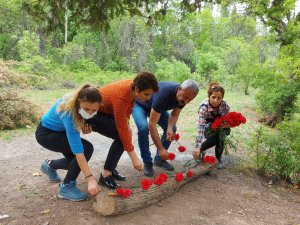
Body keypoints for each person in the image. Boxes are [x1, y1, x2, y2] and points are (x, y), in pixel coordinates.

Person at [86, 71, 159, 189]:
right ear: (136, 89)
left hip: (107, 111)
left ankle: (110, 168)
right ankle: (105, 175)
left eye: (150, 95)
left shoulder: (132, 88)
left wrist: (128, 125)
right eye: (146, 94)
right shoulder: (121, 96)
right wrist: (134, 157)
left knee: (125, 134)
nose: (148, 98)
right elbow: (121, 127)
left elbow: (128, 109)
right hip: (92, 113)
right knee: (122, 136)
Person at [35, 84, 102, 201]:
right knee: (86, 149)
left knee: (74, 162)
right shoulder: (69, 112)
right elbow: (79, 152)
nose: (90, 113)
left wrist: (83, 127)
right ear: (79, 102)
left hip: (60, 132)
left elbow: (79, 122)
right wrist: (90, 178)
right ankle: (66, 188)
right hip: (46, 134)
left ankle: (49, 165)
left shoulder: (79, 104)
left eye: (94, 110)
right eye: (86, 109)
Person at [132, 79, 200, 177]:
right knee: (143, 128)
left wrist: (169, 128)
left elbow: (174, 115)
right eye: (186, 97)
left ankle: (159, 160)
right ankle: (147, 162)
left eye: (190, 99)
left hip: (157, 108)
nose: (186, 101)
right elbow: (152, 124)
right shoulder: (163, 93)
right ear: (180, 89)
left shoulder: (184, 97)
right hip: (141, 105)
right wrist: (160, 148)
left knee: (173, 129)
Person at [193, 82, 230, 169]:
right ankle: (199, 150)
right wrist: (198, 146)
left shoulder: (225, 105)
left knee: (221, 138)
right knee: (213, 140)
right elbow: (201, 128)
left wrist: (226, 124)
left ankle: (218, 158)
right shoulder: (204, 108)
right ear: (209, 96)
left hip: (220, 125)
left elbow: (227, 119)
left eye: (219, 98)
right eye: (213, 97)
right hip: (207, 126)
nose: (216, 100)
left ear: (222, 98)